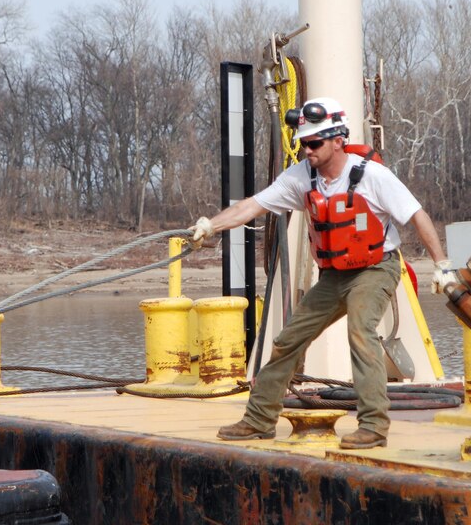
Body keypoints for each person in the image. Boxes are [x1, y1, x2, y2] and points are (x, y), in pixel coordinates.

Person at [190, 97, 453, 449]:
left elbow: (417, 215)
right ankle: (259, 420)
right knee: (287, 341)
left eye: (314, 143)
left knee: (361, 331)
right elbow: (252, 205)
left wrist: (442, 265)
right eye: (303, 143)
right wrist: (211, 225)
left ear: (338, 140)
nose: (307, 150)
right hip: (333, 276)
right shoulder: (302, 177)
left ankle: (373, 426)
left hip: (376, 268)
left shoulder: (371, 176)